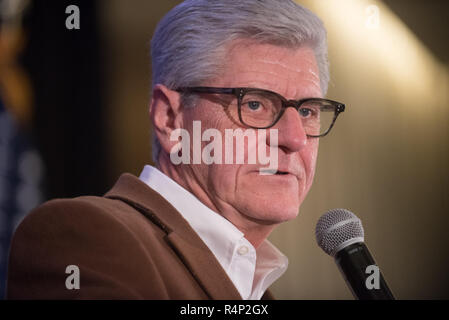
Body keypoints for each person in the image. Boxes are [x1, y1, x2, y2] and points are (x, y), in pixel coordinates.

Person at [6, 0, 345, 299]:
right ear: (170, 118)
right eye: (255, 104)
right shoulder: (84, 237)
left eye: (307, 111)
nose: (295, 138)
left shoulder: (254, 284)